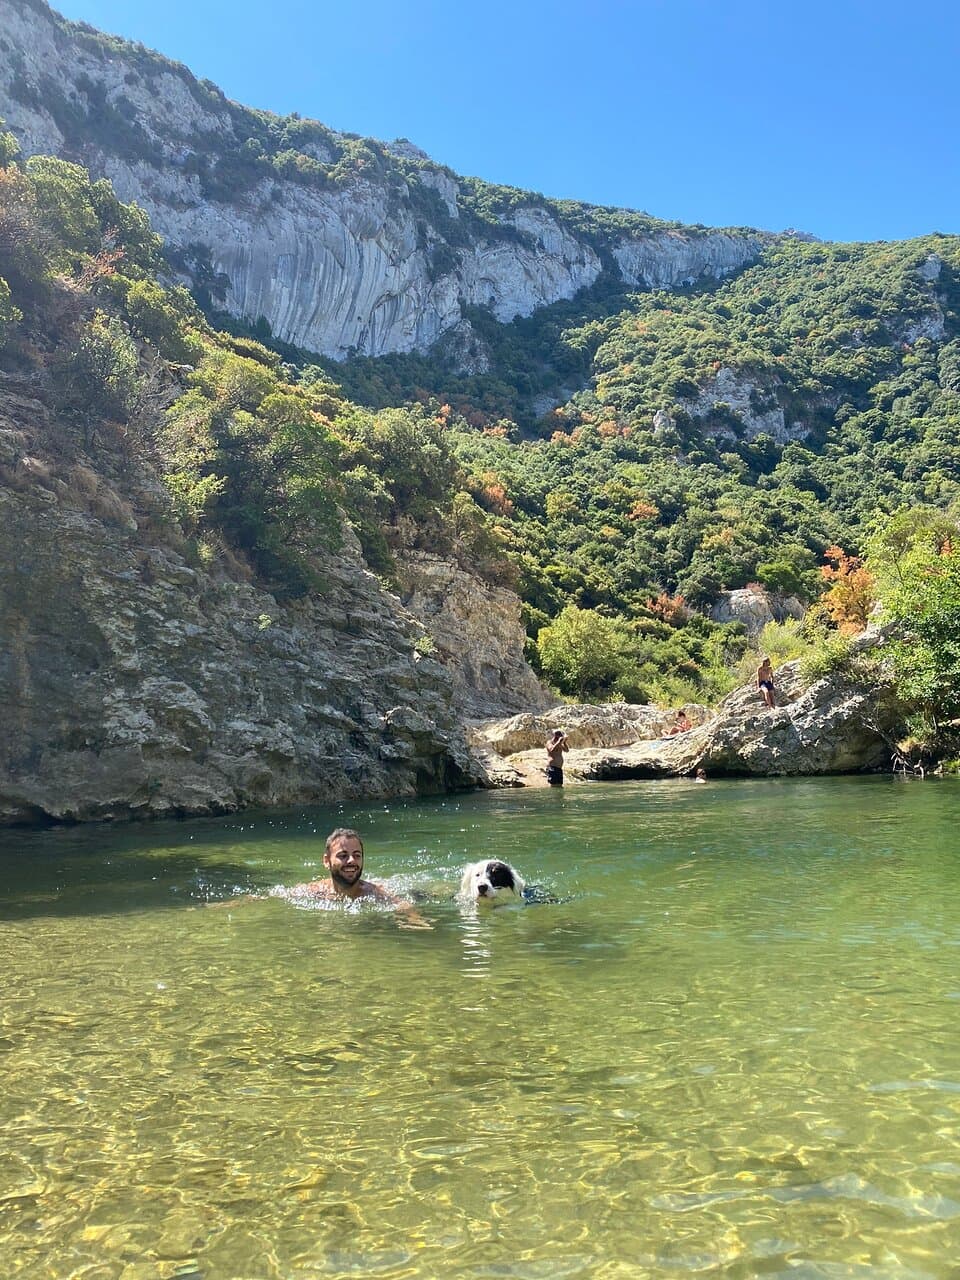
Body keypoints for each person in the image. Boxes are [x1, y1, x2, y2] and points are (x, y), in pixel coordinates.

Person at [286, 828, 430, 927]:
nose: (351, 861)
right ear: (326, 861)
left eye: (357, 855)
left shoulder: (373, 892)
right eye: (343, 856)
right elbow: (279, 894)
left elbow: (403, 904)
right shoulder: (314, 891)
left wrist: (415, 920)